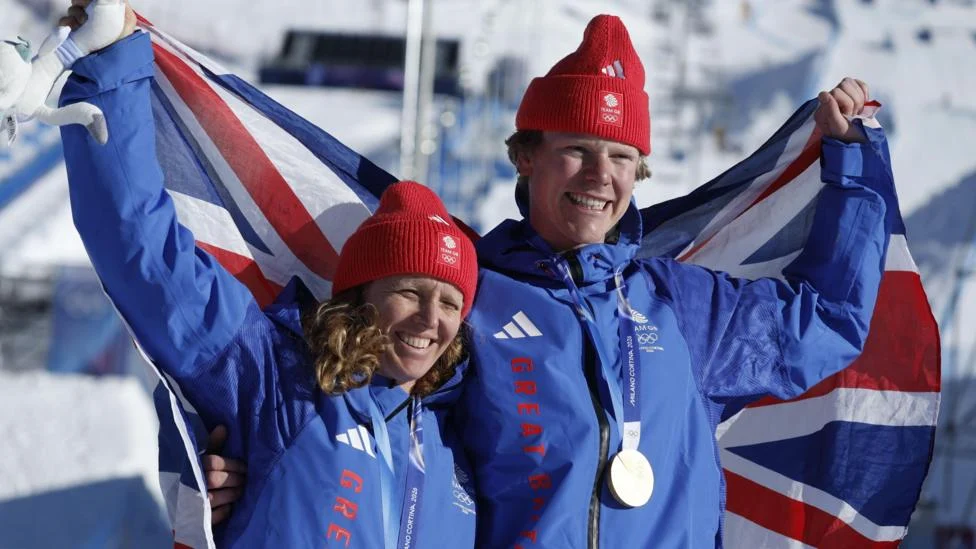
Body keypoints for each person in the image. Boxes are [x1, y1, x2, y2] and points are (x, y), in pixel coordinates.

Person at [207, 13, 891, 549]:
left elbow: (829, 320)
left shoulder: (684, 307)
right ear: (527, 156)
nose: (600, 176)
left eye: (621, 156)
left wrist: (852, 166)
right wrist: (245, 462)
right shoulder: (469, 296)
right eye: (577, 150)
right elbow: (350, 396)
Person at [56, 2, 479, 547]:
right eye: (410, 292)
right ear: (360, 294)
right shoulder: (275, 378)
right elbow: (142, 250)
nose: (430, 319)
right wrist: (115, 63)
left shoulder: (455, 437)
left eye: (450, 303)